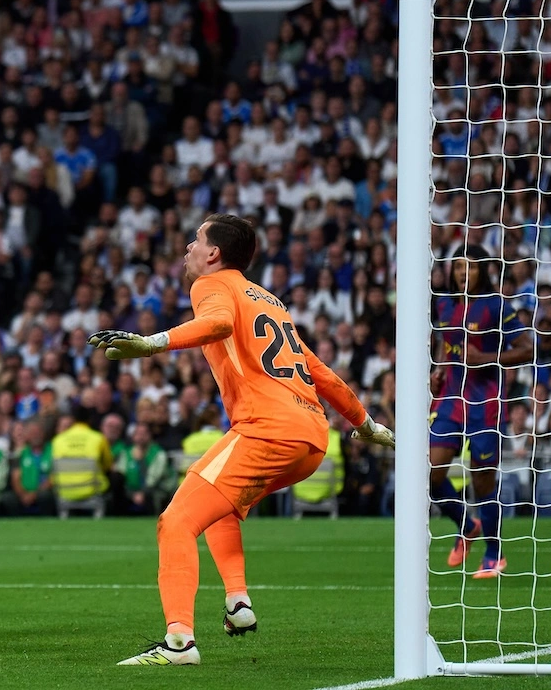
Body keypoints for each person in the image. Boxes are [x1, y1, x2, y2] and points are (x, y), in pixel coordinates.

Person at [87, 214, 395, 666]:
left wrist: (151, 344)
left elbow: (217, 325)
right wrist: (366, 424)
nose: (189, 246)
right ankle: (238, 602)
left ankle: (179, 643)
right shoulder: (270, 301)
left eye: (196, 239)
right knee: (220, 508)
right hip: (310, 438)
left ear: (214, 253)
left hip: (266, 429)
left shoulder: (211, 286)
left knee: (174, 523)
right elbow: (318, 370)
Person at [429, 245, 532, 579]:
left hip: (485, 403)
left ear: (482, 271)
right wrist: (442, 369)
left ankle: (494, 552)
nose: (463, 272)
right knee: (428, 472)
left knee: (481, 477)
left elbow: (527, 349)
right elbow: (447, 344)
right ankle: (465, 524)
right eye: (458, 266)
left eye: (470, 267)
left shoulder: (496, 305)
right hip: (449, 400)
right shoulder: (443, 303)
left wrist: (485, 359)